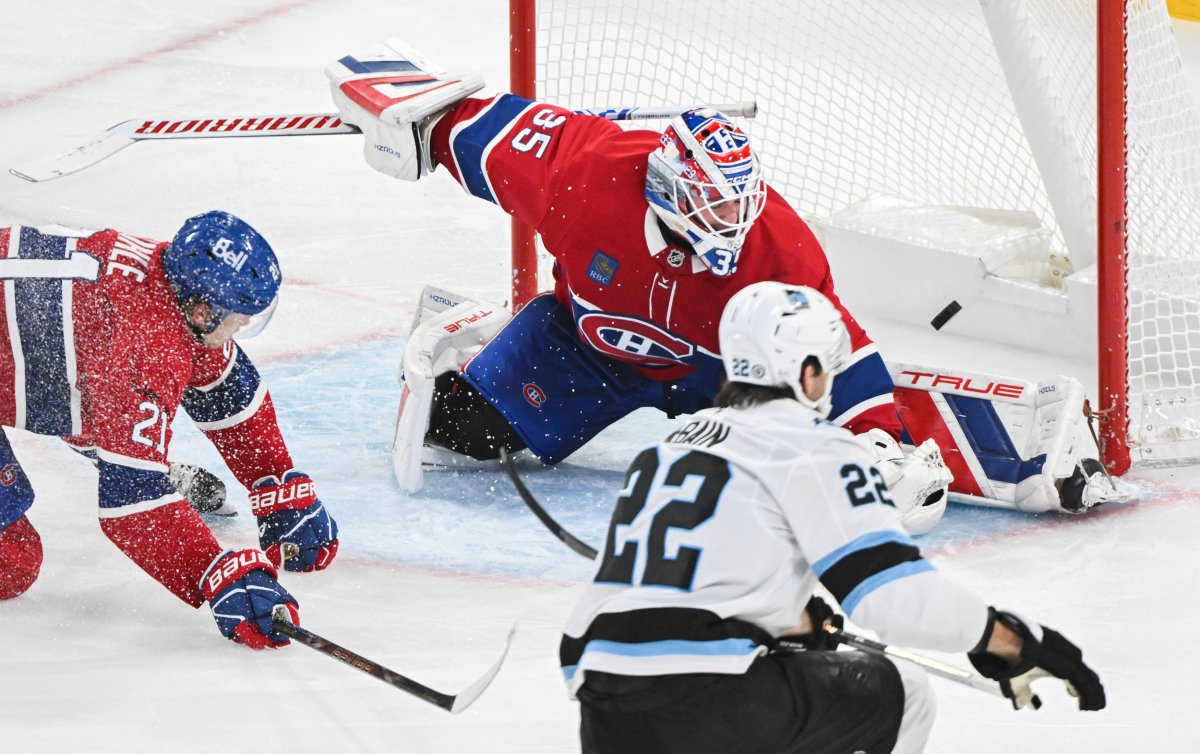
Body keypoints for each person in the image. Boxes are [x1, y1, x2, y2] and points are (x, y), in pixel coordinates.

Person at [325, 45, 953, 531]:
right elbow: (481, 132)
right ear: (669, 188)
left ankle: (887, 426)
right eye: (713, 204)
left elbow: (837, 343)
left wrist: (877, 437)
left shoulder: (779, 250)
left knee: (782, 492)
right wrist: (420, 122)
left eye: (739, 204)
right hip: (586, 348)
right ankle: (479, 361)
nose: (731, 223)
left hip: (726, 381)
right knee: (468, 434)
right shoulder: (584, 168)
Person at [558, 282, 1105, 753]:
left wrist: (792, 619)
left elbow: (672, 593)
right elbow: (892, 600)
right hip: (707, 698)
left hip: (602, 702)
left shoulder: (672, 445)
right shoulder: (814, 448)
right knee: (907, 695)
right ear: (809, 371)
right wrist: (1005, 637)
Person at [0, 211, 339, 649]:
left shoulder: (169, 289)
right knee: (11, 563)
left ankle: (120, 447)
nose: (246, 325)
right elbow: (131, 501)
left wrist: (272, 480)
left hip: (41, 350)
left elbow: (224, 388)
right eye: (239, 316)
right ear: (203, 310)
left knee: (99, 409)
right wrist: (214, 573)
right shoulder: (145, 342)